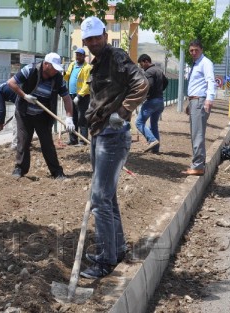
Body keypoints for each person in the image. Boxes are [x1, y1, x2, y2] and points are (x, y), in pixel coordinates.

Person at [78, 16, 149, 279]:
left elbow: (142, 84)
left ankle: (106, 261)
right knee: (108, 197)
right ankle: (115, 249)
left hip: (112, 134)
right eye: (89, 39)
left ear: (105, 36)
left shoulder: (116, 57)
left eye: (97, 37)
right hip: (99, 133)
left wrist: (124, 110)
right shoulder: (97, 63)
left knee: (99, 199)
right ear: (85, 42)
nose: (93, 42)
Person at [6, 52, 76, 179]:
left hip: (42, 115)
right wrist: (25, 96)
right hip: (24, 113)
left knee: (47, 143)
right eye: (54, 67)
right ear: (46, 64)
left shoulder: (57, 78)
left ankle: (57, 172)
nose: (56, 71)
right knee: (23, 141)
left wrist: (69, 117)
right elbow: (11, 83)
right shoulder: (30, 70)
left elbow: (66, 98)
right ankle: (20, 169)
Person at [184, 39, 216, 176]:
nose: (193, 52)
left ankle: (198, 166)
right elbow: (196, 85)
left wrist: (209, 99)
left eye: (196, 50)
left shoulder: (205, 63)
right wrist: (189, 103)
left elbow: (211, 81)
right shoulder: (196, 64)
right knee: (195, 133)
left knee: (197, 134)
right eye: (191, 50)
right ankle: (197, 164)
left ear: (201, 49)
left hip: (200, 101)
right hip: (194, 101)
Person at [136, 54, 166, 153]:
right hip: (160, 101)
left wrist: (144, 96)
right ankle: (155, 149)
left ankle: (152, 140)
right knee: (153, 125)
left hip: (151, 101)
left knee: (139, 123)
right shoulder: (159, 70)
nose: (141, 67)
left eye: (141, 65)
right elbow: (166, 82)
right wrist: (159, 91)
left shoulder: (148, 72)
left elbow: (149, 86)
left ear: (146, 61)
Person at [63, 47, 92, 145]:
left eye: (80, 55)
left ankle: (83, 140)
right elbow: (67, 76)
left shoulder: (87, 67)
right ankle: (73, 139)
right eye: (77, 55)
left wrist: (79, 96)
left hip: (82, 96)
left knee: (81, 118)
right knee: (73, 117)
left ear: (84, 56)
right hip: (71, 94)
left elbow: (87, 84)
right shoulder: (72, 64)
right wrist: (63, 73)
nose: (78, 57)